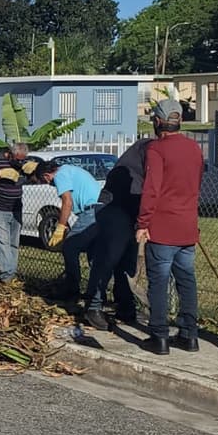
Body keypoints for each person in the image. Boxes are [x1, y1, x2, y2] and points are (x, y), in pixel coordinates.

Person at [134, 99, 204, 356]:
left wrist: (143, 223)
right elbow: (197, 182)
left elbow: (151, 189)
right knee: (186, 280)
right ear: (180, 121)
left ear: (158, 121)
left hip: (163, 226)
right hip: (187, 224)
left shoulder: (156, 149)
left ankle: (159, 334)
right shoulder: (194, 148)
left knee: (159, 281)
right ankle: (189, 334)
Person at [82, 135, 153, 331]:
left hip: (130, 210)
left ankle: (125, 304)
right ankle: (93, 305)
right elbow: (142, 188)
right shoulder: (145, 151)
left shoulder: (149, 151)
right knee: (109, 258)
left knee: (126, 261)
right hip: (115, 207)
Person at [36, 158, 102, 300]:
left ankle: (72, 289)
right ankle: (97, 293)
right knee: (95, 254)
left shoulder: (60, 175)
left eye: (45, 181)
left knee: (70, 247)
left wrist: (60, 227)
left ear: (46, 175)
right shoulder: (68, 170)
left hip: (92, 212)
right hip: (101, 210)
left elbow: (67, 202)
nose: (48, 184)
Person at [0, 140, 38, 287]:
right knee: (3, 242)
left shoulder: (25, 163)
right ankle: (7, 276)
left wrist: (34, 171)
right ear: (10, 154)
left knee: (13, 243)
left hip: (16, 208)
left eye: (22, 159)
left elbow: (35, 180)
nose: (20, 162)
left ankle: (11, 272)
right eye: (18, 159)